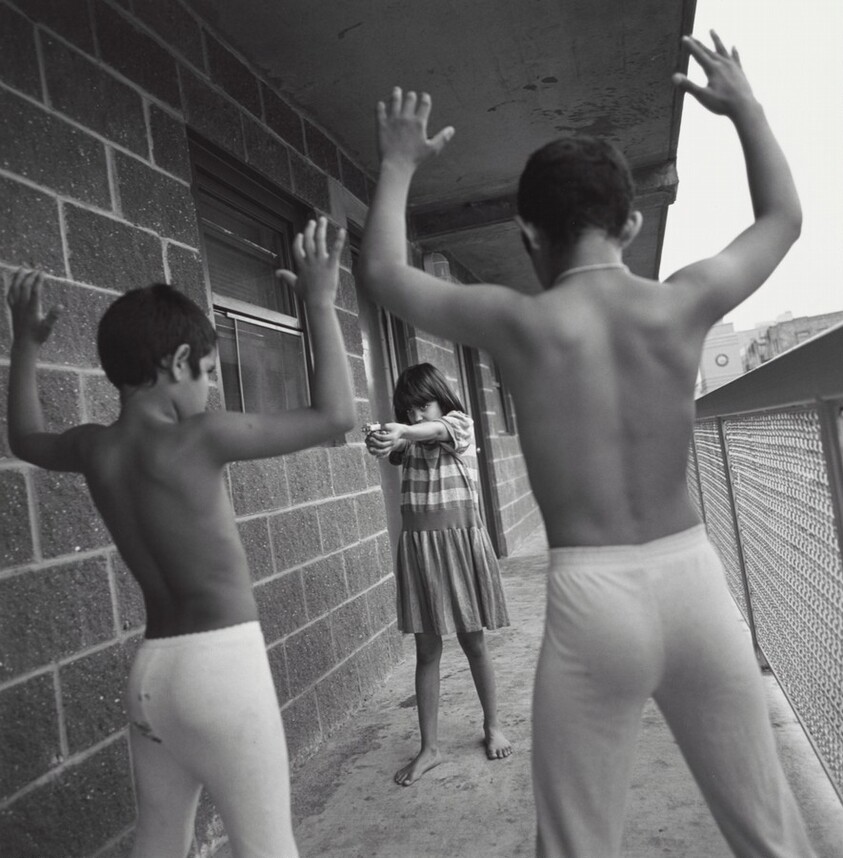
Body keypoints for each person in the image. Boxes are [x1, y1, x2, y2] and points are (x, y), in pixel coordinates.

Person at [358, 30, 817, 858]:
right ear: (632, 221)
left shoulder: (520, 324)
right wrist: (744, 107)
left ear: (527, 233)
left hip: (591, 597)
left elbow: (386, 275)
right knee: (772, 836)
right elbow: (782, 219)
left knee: (574, 846)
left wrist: (396, 162)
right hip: (692, 585)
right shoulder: (679, 305)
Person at [6, 217, 355, 858]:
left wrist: (24, 344)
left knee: (161, 843)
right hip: (221, 669)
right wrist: (320, 303)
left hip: (153, 677)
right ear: (175, 364)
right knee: (268, 847)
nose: (211, 386)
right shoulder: (200, 437)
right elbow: (336, 416)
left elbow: (24, 439)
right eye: (208, 371)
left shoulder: (95, 447)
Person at [365, 362, 512, 786]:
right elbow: (395, 447)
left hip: (459, 544)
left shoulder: (457, 424)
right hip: (419, 547)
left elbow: (431, 431)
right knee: (426, 650)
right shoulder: (408, 442)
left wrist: (404, 430)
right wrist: (381, 437)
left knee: (474, 641)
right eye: (407, 410)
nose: (415, 416)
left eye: (422, 405)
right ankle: (429, 747)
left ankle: (492, 725)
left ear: (440, 400)